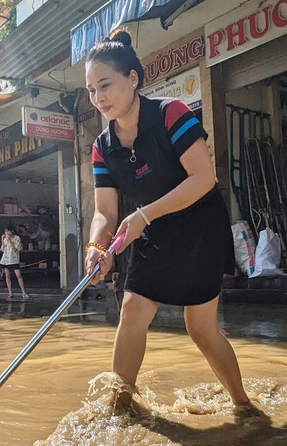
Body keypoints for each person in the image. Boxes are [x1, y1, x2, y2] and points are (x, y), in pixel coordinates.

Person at [83, 29, 253, 414]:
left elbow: (203, 178)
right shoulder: (102, 147)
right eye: (92, 91)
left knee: (200, 328)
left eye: (105, 85)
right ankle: (119, 411)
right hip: (153, 230)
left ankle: (244, 407)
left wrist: (143, 215)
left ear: (133, 79)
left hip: (200, 226)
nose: (99, 98)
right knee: (131, 311)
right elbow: (105, 212)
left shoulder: (170, 113)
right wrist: (96, 245)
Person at [0, 225, 29, 300]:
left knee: (18, 275)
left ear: (11, 231)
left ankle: (24, 292)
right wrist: (2, 241)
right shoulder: (5, 238)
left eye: (7, 231)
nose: (6, 233)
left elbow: (16, 249)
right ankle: (10, 292)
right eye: (5, 231)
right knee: (7, 276)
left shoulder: (17, 238)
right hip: (6, 260)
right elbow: (3, 249)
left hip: (14, 259)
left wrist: (10, 240)